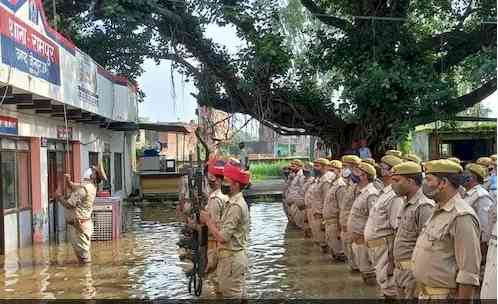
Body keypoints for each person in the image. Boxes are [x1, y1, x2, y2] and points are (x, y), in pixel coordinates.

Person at [412, 159, 481, 300]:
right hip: (426, 295)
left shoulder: (461, 216)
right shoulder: (438, 209)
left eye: (429, 179)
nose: (424, 184)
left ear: (443, 182)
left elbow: (468, 273)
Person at [200, 159, 250, 299]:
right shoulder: (231, 202)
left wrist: (208, 221)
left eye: (227, 181)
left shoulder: (236, 206)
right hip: (230, 258)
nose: (224, 183)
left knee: (232, 297)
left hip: (232, 260)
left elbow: (223, 237)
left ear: (236, 184)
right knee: (237, 295)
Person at [390, 161, 435, 299]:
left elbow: (428, 246)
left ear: (410, 181)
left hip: (413, 274)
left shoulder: (424, 206)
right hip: (401, 272)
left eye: (397, 180)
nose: (393, 185)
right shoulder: (407, 203)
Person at [364, 155, 404, 298]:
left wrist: (392, 261)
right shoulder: (384, 192)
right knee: (383, 283)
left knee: (389, 287)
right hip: (377, 247)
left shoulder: (394, 196)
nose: (380, 169)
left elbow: (397, 229)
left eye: (384, 167)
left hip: (385, 247)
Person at [55, 164, 107, 264]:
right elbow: (74, 186)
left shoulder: (84, 188)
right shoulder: (90, 186)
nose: (89, 170)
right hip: (82, 224)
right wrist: (68, 181)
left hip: (78, 226)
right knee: (83, 254)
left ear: (93, 176)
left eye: (92, 170)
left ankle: (86, 277)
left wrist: (59, 197)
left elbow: (69, 204)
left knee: (84, 257)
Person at [347, 161, 379, 285]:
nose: (353, 175)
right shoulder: (361, 192)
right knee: (365, 274)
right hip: (358, 242)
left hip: (365, 243)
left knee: (370, 275)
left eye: (357, 172)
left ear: (365, 176)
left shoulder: (371, 194)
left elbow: (374, 221)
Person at [204, 158, 229, 275]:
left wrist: (203, 221)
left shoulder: (215, 198)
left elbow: (214, 227)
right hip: (228, 246)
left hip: (215, 244)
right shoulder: (228, 196)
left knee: (215, 280)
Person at [339, 155, 362, 271]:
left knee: (359, 263)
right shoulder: (349, 185)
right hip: (346, 227)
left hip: (354, 228)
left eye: (346, 166)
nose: (343, 169)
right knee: (351, 259)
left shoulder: (359, 187)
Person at [307, 158, 335, 252]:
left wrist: (323, 217)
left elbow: (327, 199)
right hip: (315, 212)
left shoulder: (326, 180)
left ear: (325, 167)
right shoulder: (319, 178)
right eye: (314, 166)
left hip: (321, 214)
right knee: (319, 239)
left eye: (317, 166)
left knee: (325, 241)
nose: (315, 168)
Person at [322, 160, 346, 262]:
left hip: (335, 223)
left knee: (339, 253)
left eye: (333, 170)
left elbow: (342, 208)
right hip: (329, 223)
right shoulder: (332, 184)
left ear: (340, 171)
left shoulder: (340, 186)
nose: (331, 173)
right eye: (329, 170)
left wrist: (340, 229)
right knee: (333, 251)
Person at [285, 160, 306, 226]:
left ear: (300, 167)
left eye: (293, 166)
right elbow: (289, 187)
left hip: (297, 203)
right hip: (292, 202)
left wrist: (300, 203)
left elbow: (303, 190)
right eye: (291, 166)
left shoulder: (301, 176)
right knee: (295, 222)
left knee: (300, 224)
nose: (291, 168)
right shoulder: (293, 175)